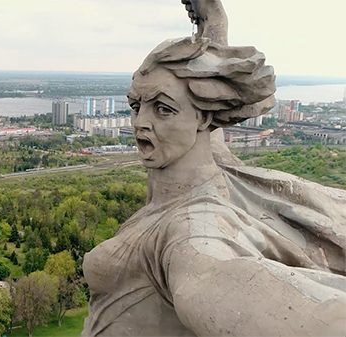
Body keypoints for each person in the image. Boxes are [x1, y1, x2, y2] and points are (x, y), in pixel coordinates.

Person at [82, 1, 346, 336]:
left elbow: (213, 281)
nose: (139, 122)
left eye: (162, 109)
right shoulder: (217, 168)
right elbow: (213, 142)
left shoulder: (191, 230)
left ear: (203, 118)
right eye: (136, 105)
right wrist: (212, 26)